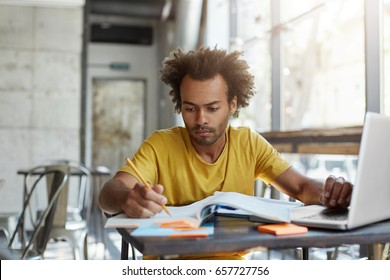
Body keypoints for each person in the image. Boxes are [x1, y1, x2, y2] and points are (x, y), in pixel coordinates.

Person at [98, 46, 353, 259]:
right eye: (190, 108)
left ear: (233, 104)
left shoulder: (248, 144)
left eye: (212, 108)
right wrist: (127, 198)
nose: (200, 120)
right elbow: (108, 194)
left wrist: (332, 192)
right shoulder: (160, 145)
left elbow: (301, 187)